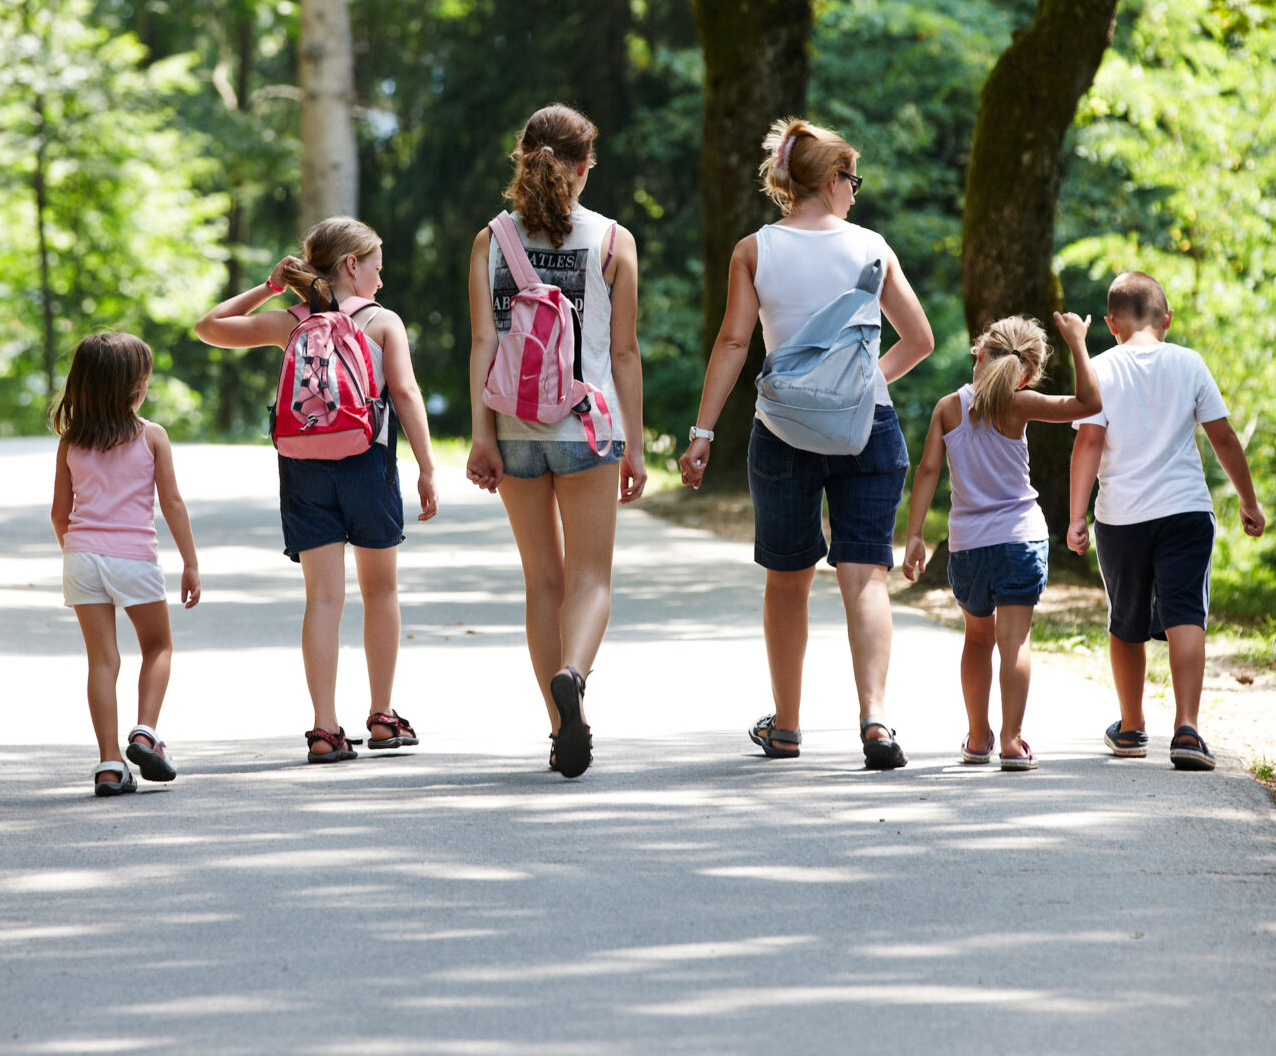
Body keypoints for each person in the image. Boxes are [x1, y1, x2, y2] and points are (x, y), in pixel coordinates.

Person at [679, 117, 935, 770]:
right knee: (866, 576)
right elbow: (921, 339)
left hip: (784, 430)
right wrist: (859, 383)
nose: (857, 190)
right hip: (865, 427)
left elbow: (735, 342)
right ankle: (874, 719)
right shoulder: (872, 248)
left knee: (787, 580)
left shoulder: (753, 249)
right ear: (828, 179)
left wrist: (702, 433)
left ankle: (787, 726)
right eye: (852, 178)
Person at [194, 217, 440, 765]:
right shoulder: (383, 322)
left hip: (302, 465)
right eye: (376, 264)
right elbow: (404, 392)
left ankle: (325, 728)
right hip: (367, 461)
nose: (382, 275)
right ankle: (382, 716)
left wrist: (268, 287)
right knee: (380, 592)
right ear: (352, 264)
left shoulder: (289, 321)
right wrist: (426, 467)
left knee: (323, 599)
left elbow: (209, 326)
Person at [464, 105, 648, 780]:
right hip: (585, 424)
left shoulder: (491, 239)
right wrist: (634, 443)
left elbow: (484, 343)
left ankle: (557, 726)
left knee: (542, 579)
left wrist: (482, 436)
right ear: (582, 165)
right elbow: (623, 352)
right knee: (591, 576)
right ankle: (575, 672)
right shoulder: (612, 240)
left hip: (511, 427)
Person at [1066, 271, 1266, 771]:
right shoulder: (1189, 363)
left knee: (1126, 621)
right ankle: (1188, 730)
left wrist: (1075, 517)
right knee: (1184, 614)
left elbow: (1087, 442)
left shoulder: (1100, 368)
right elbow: (1223, 437)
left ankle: (1131, 728)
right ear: (1167, 319)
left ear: (1110, 323)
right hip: (1186, 511)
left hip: (1122, 517)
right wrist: (1248, 501)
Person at [901, 313, 1098, 770]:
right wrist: (1077, 342)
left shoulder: (949, 407)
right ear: (1027, 371)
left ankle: (976, 735)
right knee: (1015, 642)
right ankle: (1011, 740)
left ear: (978, 354)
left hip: (969, 546)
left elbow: (927, 471)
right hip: (1019, 541)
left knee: (976, 639)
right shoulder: (1021, 403)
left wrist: (914, 535)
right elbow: (1090, 402)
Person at [49, 331, 203, 798]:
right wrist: (191, 564)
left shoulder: (70, 441)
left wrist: (76, 552)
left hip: (81, 557)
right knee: (157, 646)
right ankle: (145, 733)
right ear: (134, 386)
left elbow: (60, 513)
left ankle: (109, 765)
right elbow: (172, 504)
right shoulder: (150, 436)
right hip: (133, 558)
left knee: (102, 660)